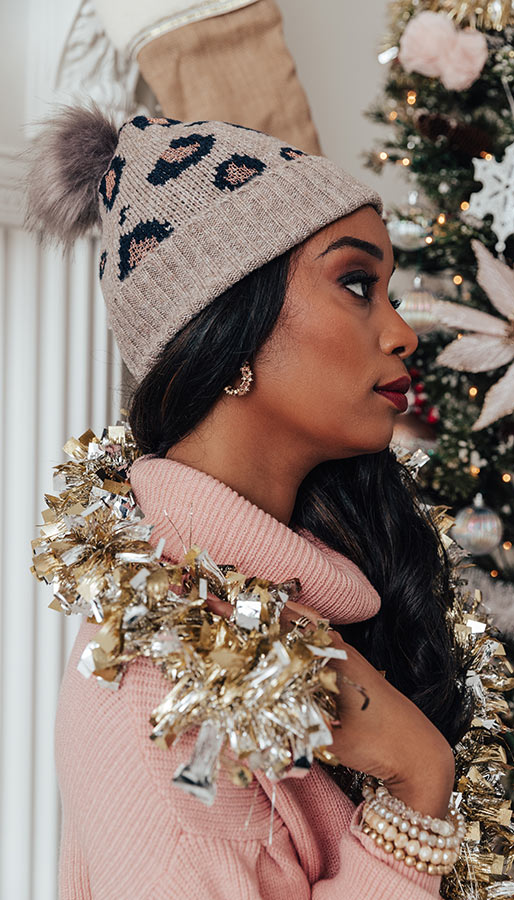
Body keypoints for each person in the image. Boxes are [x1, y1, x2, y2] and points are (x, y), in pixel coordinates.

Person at [26, 106, 469, 899]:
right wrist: (417, 781)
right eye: (357, 285)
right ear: (232, 330)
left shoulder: (322, 591)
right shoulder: (160, 696)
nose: (403, 333)